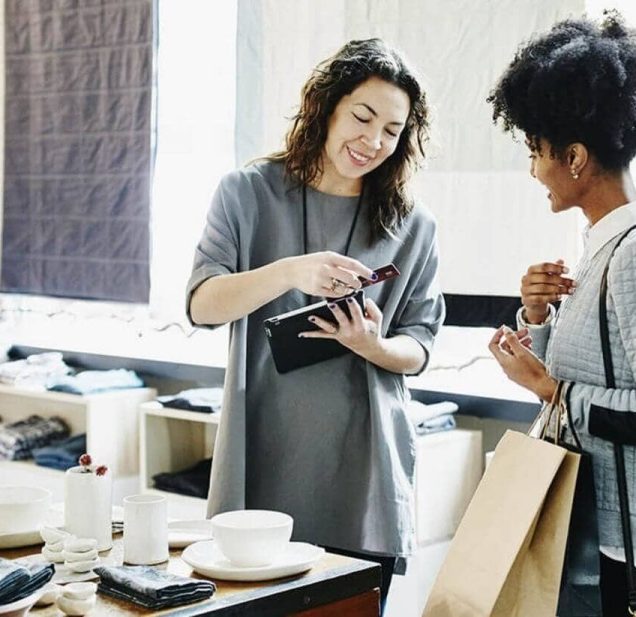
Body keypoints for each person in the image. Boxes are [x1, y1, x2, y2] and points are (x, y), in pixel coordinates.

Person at [185, 39, 444, 609]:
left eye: (393, 130)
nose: (374, 141)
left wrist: (372, 345)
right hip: (265, 455)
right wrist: (289, 271)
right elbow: (203, 305)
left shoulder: (414, 223)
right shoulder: (247, 193)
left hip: (365, 466)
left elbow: (420, 346)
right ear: (325, 107)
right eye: (362, 116)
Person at [484, 13, 636, 615]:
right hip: (601, 526)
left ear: (575, 157)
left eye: (536, 151)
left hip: (632, 549)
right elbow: (599, 385)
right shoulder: (605, 246)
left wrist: (550, 386)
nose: (533, 169)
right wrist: (538, 319)